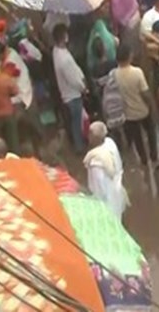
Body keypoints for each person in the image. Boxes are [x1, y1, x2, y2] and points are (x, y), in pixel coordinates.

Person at [83, 121, 129, 221]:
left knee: (112, 220)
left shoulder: (96, 163)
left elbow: (97, 189)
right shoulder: (110, 142)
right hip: (117, 188)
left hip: (107, 198)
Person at [52, 24, 87, 153]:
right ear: (64, 37)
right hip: (73, 95)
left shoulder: (57, 51)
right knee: (76, 124)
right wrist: (83, 88)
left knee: (75, 123)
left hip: (67, 94)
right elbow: (73, 79)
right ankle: (79, 147)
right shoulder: (64, 59)